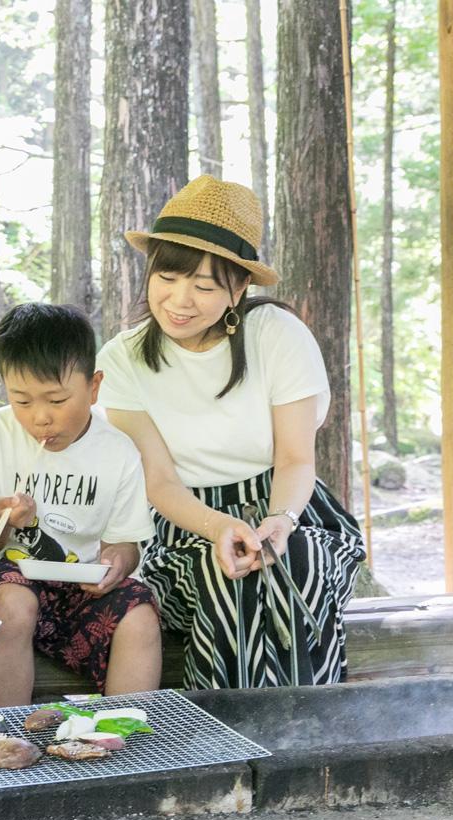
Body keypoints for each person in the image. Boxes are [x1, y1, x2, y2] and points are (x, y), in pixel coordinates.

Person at [96, 175, 366, 690]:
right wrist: (220, 527)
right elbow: (159, 482)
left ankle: (306, 728)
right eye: (167, 277)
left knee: (294, 564)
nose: (180, 300)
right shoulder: (122, 359)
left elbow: (295, 459)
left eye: (204, 287)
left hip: (290, 508)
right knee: (226, 576)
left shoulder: (278, 335)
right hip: (184, 526)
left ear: (238, 289)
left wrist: (279, 522)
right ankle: (227, 731)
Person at [0, 303, 161, 707]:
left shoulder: (117, 451)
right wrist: (1, 518)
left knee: (139, 613)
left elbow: (125, 544)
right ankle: (11, 732)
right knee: (15, 600)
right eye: (22, 401)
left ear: (94, 387)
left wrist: (116, 564)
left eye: (57, 400)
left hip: (76, 588)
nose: (40, 418)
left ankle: (118, 736)